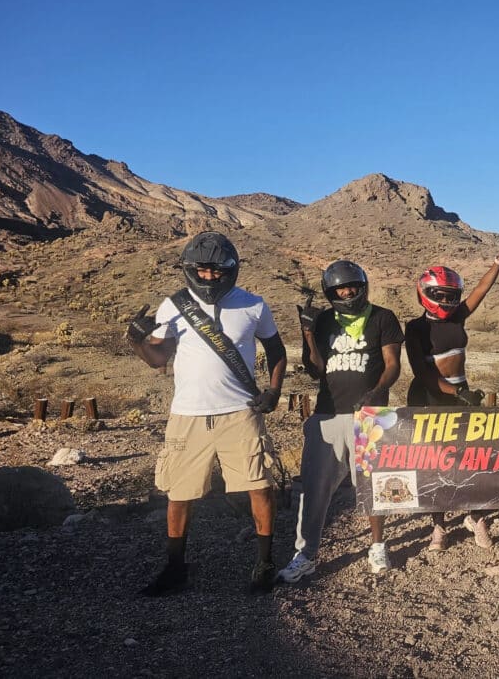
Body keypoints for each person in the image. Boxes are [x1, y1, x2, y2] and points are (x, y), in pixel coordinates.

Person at [127, 231, 286, 596]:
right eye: (201, 270)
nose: (209, 277)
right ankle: (175, 567)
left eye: (216, 270)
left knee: (258, 486)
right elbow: (158, 360)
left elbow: (276, 351)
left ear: (230, 269)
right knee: (180, 494)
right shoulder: (172, 306)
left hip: (240, 412)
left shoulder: (253, 305)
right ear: (189, 269)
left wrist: (274, 391)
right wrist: (136, 341)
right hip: (188, 413)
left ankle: (263, 563)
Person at [278, 261, 405, 581]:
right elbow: (316, 369)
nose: (347, 293)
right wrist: (307, 332)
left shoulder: (383, 317)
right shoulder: (323, 321)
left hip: (372, 414)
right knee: (315, 487)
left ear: (363, 287)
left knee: (374, 485)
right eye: (340, 289)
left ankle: (377, 545)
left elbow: (392, 363)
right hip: (328, 412)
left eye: (352, 287)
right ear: (330, 292)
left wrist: (379, 391)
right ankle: (305, 553)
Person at [405, 234, 499, 551]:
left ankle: (476, 517)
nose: (447, 301)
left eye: (452, 295)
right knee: (433, 464)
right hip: (430, 398)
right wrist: (457, 394)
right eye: (440, 294)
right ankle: (438, 527)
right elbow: (424, 375)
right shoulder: (415, 329)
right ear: (426, 294)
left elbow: (482, 289)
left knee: (471, 459)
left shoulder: (458, 316)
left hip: (460, 394)